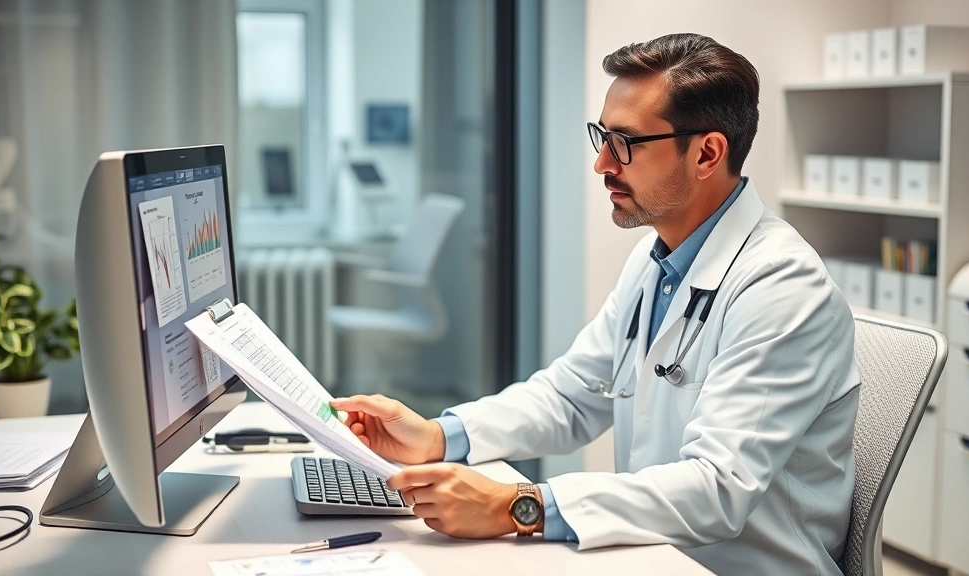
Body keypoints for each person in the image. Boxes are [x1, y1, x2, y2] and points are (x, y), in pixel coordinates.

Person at [331, 33, 860, 576]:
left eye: (626, 142)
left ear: (707, 153)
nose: (603, 163)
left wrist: (515, 505)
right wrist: (439, 437)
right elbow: (572, 397)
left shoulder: (783, 288)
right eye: (602, 137)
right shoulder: (656, 262)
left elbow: (717, 489)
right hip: (654, 557)